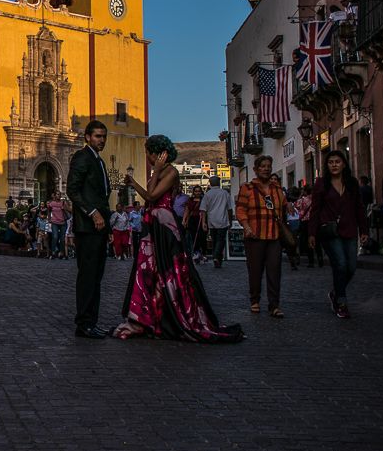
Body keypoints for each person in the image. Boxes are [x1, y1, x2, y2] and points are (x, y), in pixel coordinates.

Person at [113, 135, 244, 343]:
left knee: (169, 270)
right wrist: (138, 181)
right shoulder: (161, 172)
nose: (146, 156)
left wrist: (148, 175)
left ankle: (170, 315)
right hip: (153, 225)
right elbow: (149, 194)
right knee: (151, 270)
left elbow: (151, 196)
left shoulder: (171, 172)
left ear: (157, 153)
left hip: (164, 226)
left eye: (148, 152)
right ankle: (150, 316)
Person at [66, 120, 112, 340]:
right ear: (87, 137)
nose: (101, 140)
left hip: (100, 227)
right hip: (88, 226)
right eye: (97, 136)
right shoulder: (82, 158)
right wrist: (92, 212)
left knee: (96, 276)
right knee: (88, 276)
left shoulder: (99, 161)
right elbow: (72, 190)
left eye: (103, 136)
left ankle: (91, 321)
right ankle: (84, 323)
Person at [309, 150, 368, 319]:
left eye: (337, 161)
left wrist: (363, 230)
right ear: (327, 165)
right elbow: (315, 209)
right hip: (329, 230)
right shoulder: (321, 184)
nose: (334, 165)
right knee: (340, 264)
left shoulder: (352, 183)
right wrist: (312, 233)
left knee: (351, 267)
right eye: (331, 162)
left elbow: (359, 207)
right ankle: (341, 302)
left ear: (344, 164)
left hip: (349, 229)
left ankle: (335, 292)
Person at [236, 154, 287, 318]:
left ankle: (274, 305)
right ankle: (255, 300)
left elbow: (283, 206)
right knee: (255, 271)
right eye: (262, 166)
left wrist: (290, 206)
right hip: (255, 235)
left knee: (274, 271)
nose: (266, 169)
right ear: (255, 170)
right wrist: (246, 225)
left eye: (268, 166)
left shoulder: (277, 189)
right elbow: (241, 209)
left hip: (274, 236)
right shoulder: (247, 188)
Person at [199, 176, 232, 268]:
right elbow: (229, 208)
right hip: (223, 220)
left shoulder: (207, 194)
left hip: (211, 221)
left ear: (210, 183)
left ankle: (217, 258)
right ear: (219, 182)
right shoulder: (224, 193)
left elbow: (203, 210)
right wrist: (230, 220)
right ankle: (216, 256)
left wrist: (203, 222)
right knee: (220, 240)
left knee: (214, 240)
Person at [182, 185, 203, 261]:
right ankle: (194, 252)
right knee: (193, 236)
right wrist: (184, 220)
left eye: (199, 191)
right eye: (196, 191)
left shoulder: (203, 199)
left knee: (200, 236)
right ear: (193, 192)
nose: (197, 193)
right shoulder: (190, 200)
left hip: (201, 219)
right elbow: (187, 210)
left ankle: (200, 252)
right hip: (192, 219)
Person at [47, 192, 67, 259]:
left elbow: (70, 210)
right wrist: (49, 219)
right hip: (54, 222)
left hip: (63, 222)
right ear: (55, 195)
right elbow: (49, 211)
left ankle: (61, 253)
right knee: (55, 237)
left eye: (59, 194)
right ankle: (53, 253)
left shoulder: (63, 202)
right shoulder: (51, 203)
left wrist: (65, 208)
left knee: (62, 239)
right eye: (57, 194)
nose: (58, 195)